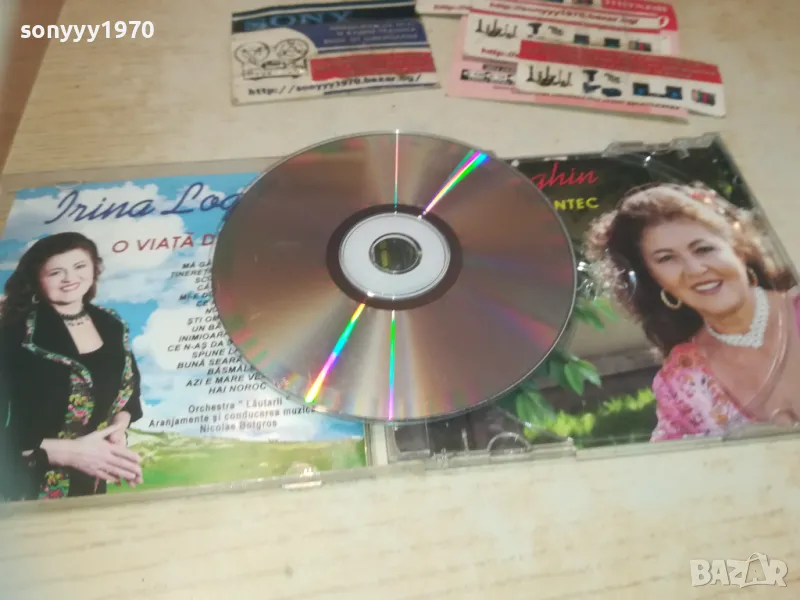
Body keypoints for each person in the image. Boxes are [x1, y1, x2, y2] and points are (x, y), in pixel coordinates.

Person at [584, 183, 800, 442]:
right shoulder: (683, 381)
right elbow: (673, 463)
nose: (695, 270)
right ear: (654, 280)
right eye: (667, 258)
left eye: (704, 249)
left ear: (739, 248)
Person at [0, 232, 144, 501]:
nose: (70, 278)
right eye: (56, 272)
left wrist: (118, 428)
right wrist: (64, 452)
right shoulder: (11, 332)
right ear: (36, 278)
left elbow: (129, 388)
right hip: (26, 489)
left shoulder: (112, 324)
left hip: (92, 482)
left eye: (80, 266)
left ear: (95, 269)